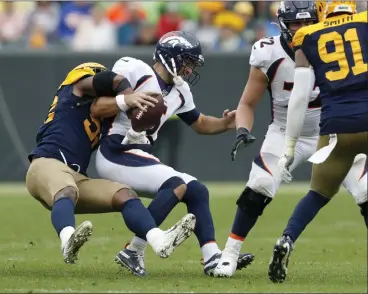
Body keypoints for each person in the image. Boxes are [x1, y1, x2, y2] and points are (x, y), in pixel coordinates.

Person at [215, 0, 367, 278]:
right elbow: (247, 103)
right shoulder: (268, 52)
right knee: (259, 184)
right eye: (296, 23)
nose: (302, 28)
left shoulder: (328, 41)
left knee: (366, 190)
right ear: (283, 25)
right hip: (285, 130)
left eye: (308, 22)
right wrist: (242, 130)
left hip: (330, 131)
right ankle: (229, 255)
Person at [95, 31, 254, 277]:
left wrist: (226, 124)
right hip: (116, 150)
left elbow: (199, 123)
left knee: (197, 190)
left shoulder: (180, 91)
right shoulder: (134, 69)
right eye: (187, 61)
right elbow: (101, 102)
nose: (189, 69)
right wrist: (129, 101)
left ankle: (212, 257)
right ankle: (135, 249)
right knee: (176, 183)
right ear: (171, 56)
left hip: (141, 153)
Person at [26, 62, 197, 265]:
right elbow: (112, 80)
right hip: (45, 164)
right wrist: (129, 95)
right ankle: (67, 240)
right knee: (67, 190)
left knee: (125, 194)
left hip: (77, 177)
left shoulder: (102, 110)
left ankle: (159, 240)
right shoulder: (74, 90)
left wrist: (137, 129)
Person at [269, 0, 367, 283]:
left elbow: (299, 98)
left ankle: (287, 239)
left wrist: (289, 146)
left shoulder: (308, 36)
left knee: (318, 194)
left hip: (336, 126)